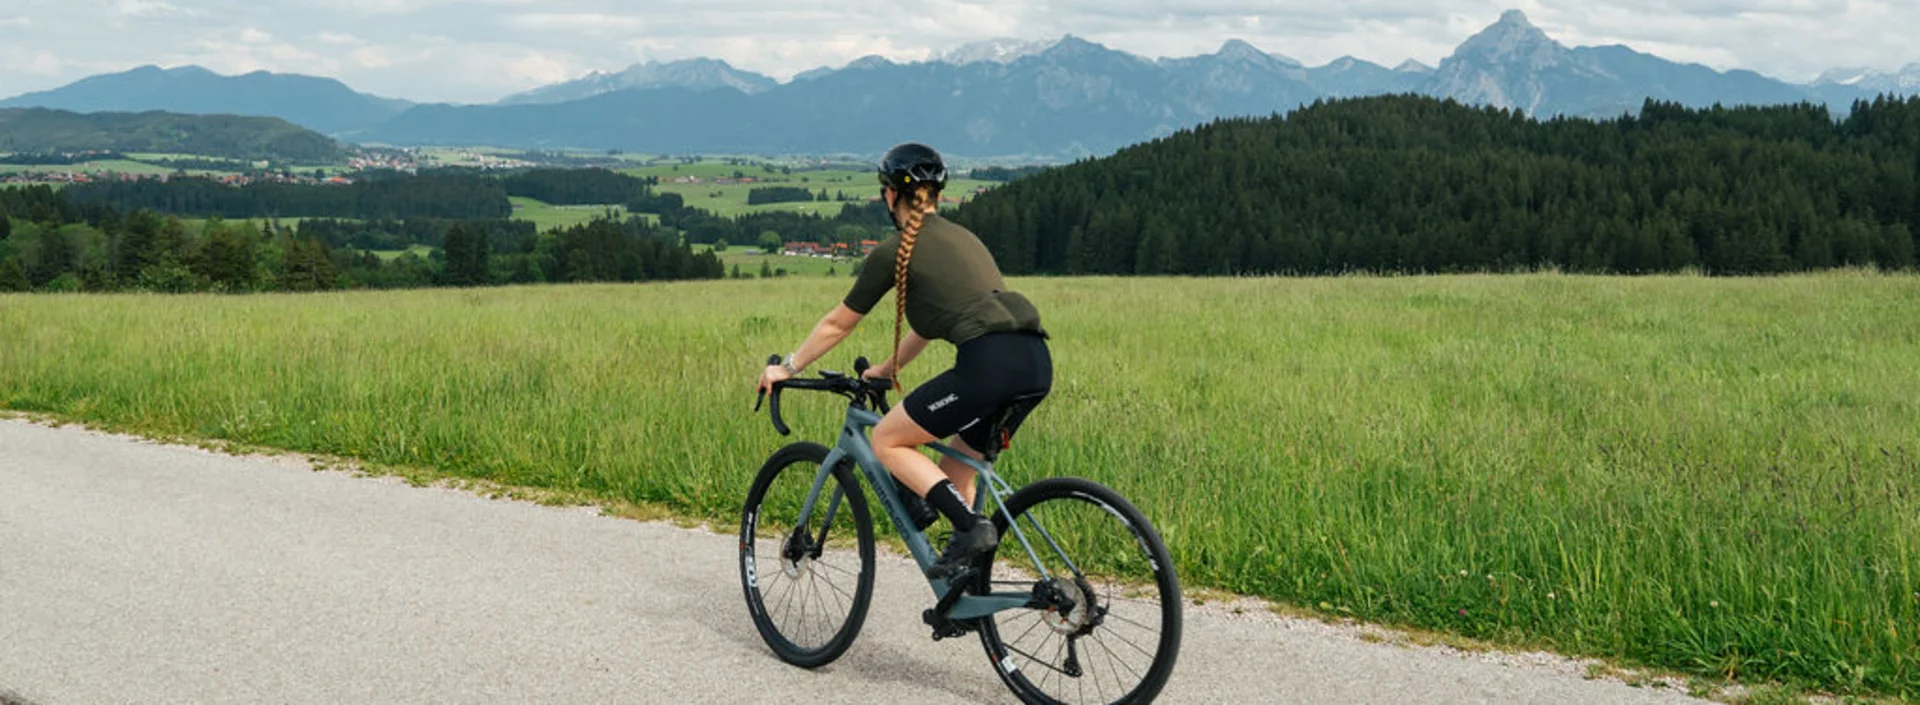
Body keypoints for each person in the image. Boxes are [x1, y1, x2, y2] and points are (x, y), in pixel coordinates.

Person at [755, 142, 1051, 581]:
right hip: (1034, 362)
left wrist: (788, 367)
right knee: (956, 472)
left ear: (891, 195)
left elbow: (839, 324)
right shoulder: (964, 239)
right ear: (937, 194)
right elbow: (931, 326)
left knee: (888, 441)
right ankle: (965, 595)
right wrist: (887, 369)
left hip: (989, 365)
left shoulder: (895, 250)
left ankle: (972, 529)